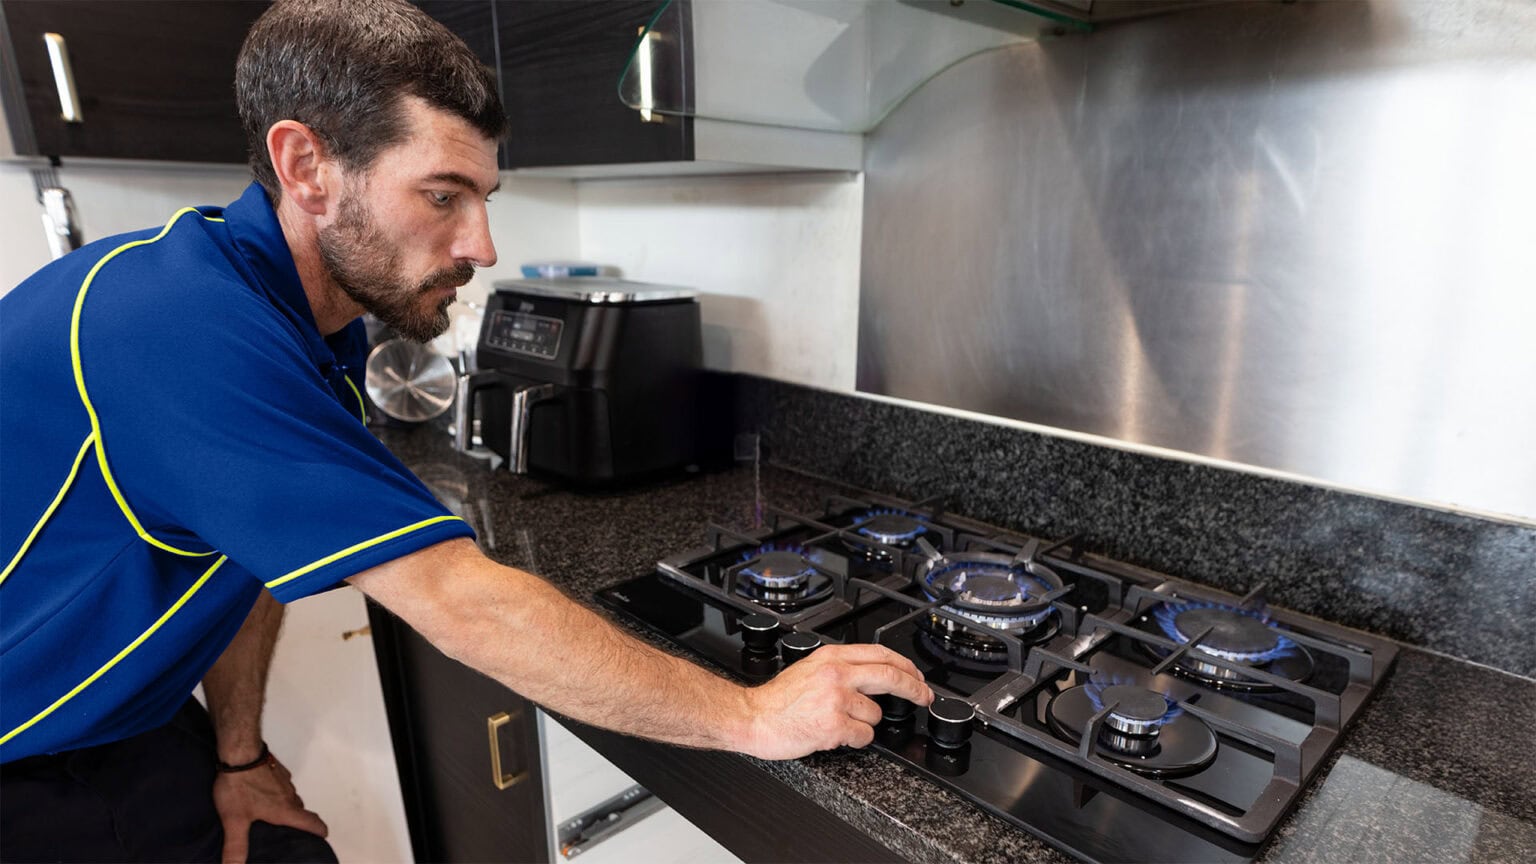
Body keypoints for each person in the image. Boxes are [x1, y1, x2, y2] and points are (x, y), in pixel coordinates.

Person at [0, 1, 934, 861]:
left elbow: (251, 550)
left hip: (136, 719)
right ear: (306, 168)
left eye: (485, 195)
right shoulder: (175, 325)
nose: (481, 244)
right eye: (443, 195)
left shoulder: (296, 316)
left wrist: (240, 753)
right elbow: (462, 599)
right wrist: (755, 716)